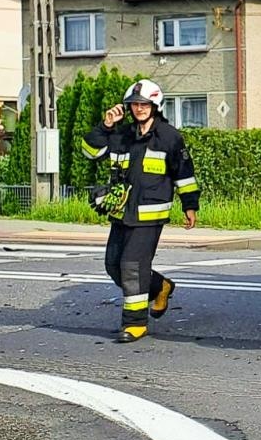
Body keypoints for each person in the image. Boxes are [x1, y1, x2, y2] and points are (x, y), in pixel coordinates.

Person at [80, 80, 200, 343]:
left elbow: (184, 175)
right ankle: (160, 287)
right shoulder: (121, 135)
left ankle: (135, 324)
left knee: (132, 266)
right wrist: (106, 125)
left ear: (155, 105)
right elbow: (89, 152)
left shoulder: (169, 137)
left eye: (144, 104)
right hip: (122, 213)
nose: (139, 108)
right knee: (113, 266)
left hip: (150, 214)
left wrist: (190, 205)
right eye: (135, 104)